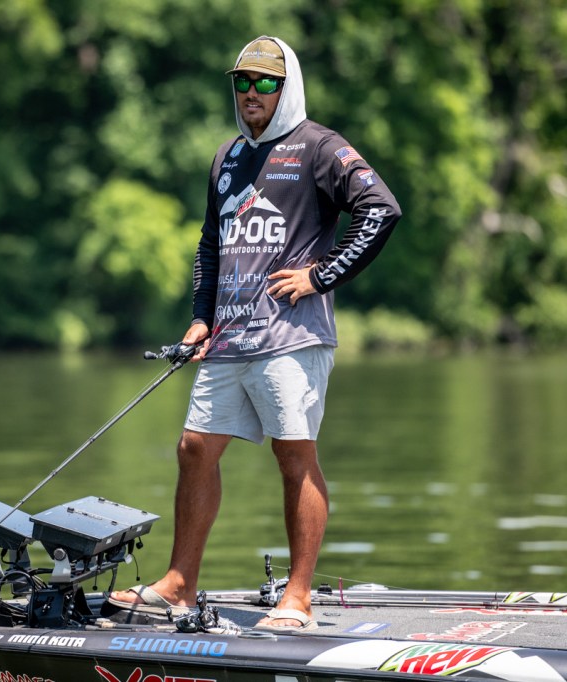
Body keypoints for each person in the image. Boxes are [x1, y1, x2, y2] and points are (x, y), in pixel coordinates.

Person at [107, 35, 401, 632]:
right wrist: (200, 317)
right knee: (194, 448)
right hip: (228, 338)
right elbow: (210, 245)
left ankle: (298, 599)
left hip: (292, 337)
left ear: (287, 88)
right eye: (242, 82)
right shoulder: (228, 156)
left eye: (266, 83)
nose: (252, 93)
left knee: (293, 455)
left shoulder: (320, 146)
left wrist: (321, 275)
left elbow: (380, 209)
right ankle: (179, 584)